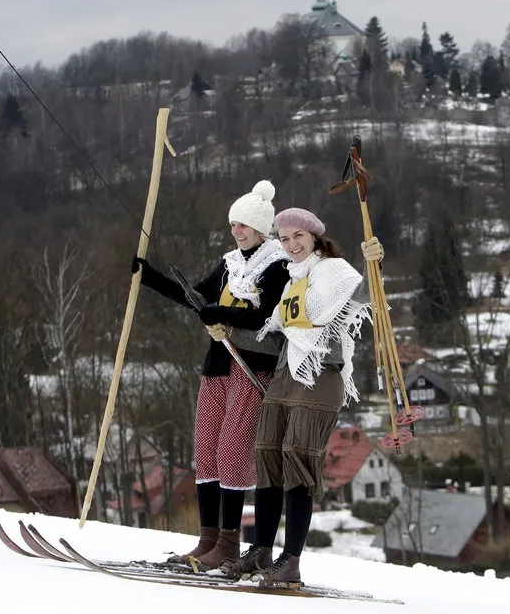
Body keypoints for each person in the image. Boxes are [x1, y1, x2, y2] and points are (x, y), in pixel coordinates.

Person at [220, 208, 383, 587]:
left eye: (299, 237)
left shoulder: (333, 270)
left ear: (314, 238)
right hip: (285, 373)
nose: (292, 244)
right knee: (269, 457)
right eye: (286, 238)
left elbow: (362, 294)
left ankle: (289, 560)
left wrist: (371, 262)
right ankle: (261, 550)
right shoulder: (295, 279)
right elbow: (279, 333)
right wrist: (226, 331)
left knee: (297, 460)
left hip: (320, 374)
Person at [131, 180, 290, 568]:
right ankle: (207, 540)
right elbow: (197, 300)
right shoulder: (228, 264)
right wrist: (149, 276)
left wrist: (223, 315)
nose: (236, 231)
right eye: (234, 224)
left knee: (232, 452)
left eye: (244, 225)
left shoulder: (277, 266)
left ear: (261, 228)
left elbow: (268, 319)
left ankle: (229, 543)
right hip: (218, 363)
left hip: (253, 365)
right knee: (206, 452)